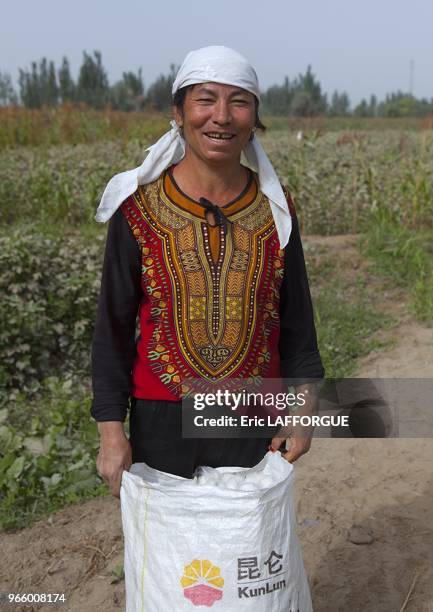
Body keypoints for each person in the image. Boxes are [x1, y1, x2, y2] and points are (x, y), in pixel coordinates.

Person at [91, 46, 325, 498]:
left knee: (247, 556)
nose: (222, 116)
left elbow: (298, 321)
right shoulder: (138, 208)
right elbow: (112, 328)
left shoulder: (274, 209)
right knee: (172, 561)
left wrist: (305, 409)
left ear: (254, 119)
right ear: (178, 113)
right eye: (205, 99)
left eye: (239, 102)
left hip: (255, 416)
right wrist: (110, 430)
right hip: (160, 418)